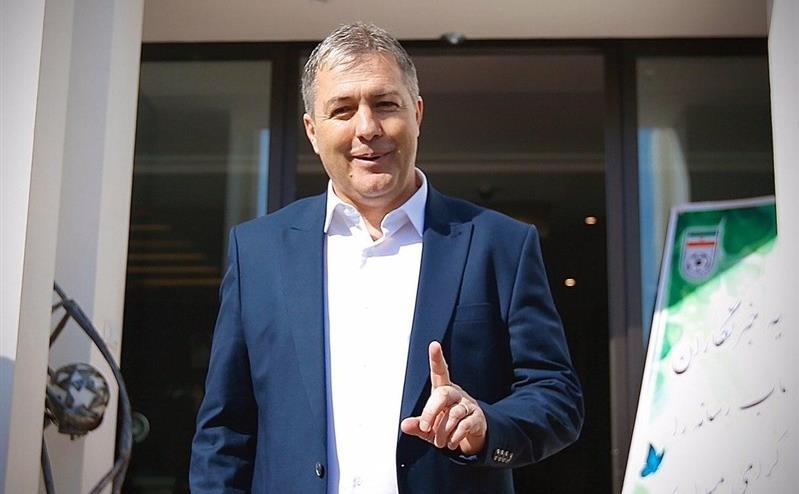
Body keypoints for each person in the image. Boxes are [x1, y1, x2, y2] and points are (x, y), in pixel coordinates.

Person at [190, 22, 583, 494]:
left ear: (417, 113)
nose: (367, 129)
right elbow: (224, 432)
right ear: (312, 130)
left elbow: (557, 397)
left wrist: (486, 427)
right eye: (342, 110)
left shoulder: (500, 244)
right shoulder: (258, 252)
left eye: (385, 104)